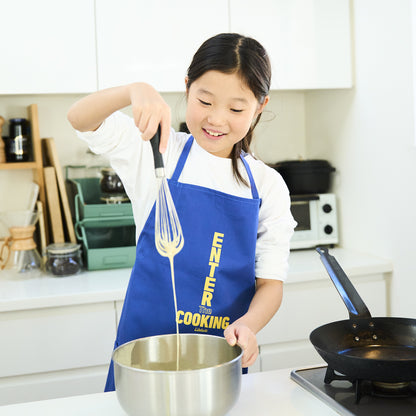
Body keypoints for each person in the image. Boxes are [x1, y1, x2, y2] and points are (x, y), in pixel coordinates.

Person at [67, 32, 296, 391]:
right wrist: (134, 90)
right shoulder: (157, 151)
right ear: (187, 88)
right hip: (143, 359)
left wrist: (248, 326)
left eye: (236, 109)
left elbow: (269, 285)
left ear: (260, 107)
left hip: (218, 363)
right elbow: (79, 118)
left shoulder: (267, 186)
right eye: (204, 101)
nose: (217, 119)